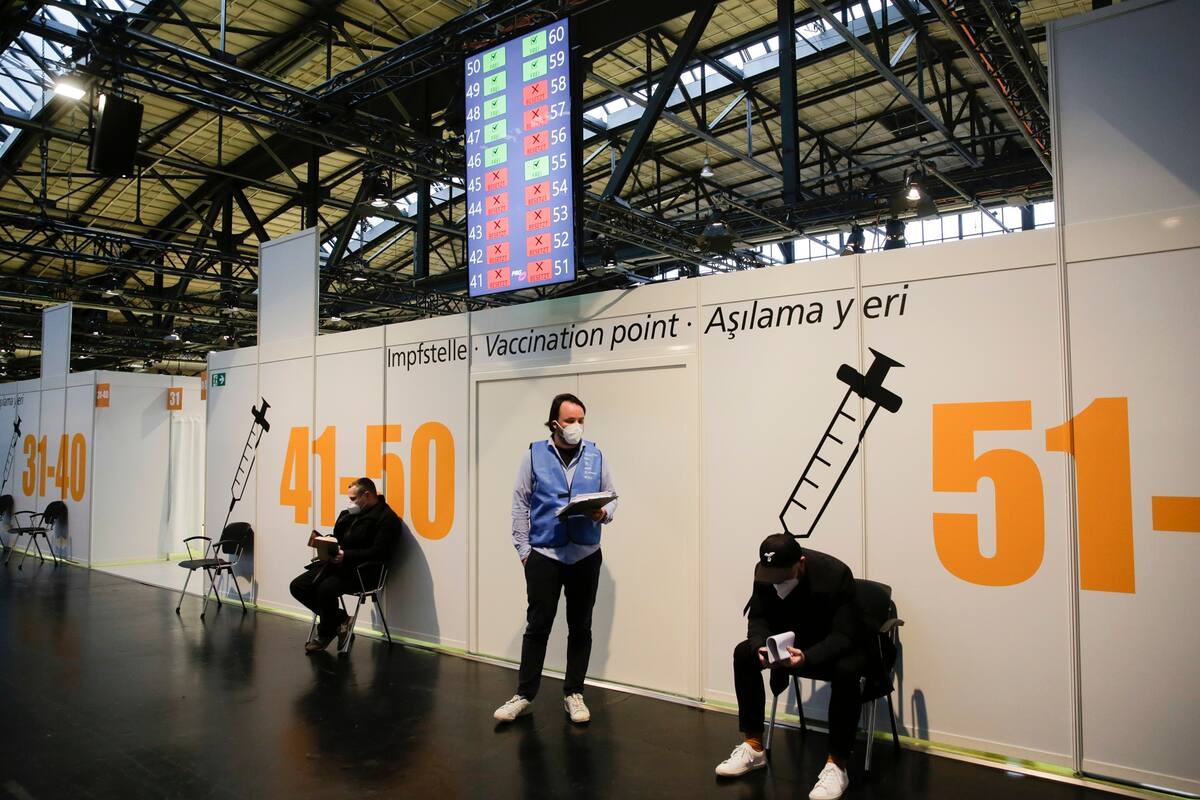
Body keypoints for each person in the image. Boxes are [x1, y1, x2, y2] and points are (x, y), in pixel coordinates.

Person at [493, 393, 618, 725]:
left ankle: (573, 693)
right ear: (554, 424)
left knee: (581, 626)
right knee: (538, 626)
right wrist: (524, 551)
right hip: (545, 554)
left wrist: (603, 513)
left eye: (581, 420)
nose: (576, 426)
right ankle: (523, 694)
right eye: (570, 421)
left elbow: (613, 495)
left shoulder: (596, 454)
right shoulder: (533, 454)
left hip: (585, 554)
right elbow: (520, 502)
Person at [714, 534, 868, 800]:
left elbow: (844, 636)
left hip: (831, 644)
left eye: (781, 575)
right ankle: (754, 747)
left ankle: (837, 765)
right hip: (792, 642)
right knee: (744, 653)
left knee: (848, 669)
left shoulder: (835, 575)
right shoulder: (765, 574)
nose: (775, 581)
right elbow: (758, 617)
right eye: (770, 574)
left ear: (801, 563)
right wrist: (760, 646)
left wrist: (807, 657)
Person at [289, 477, 401, 654]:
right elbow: (339, 539)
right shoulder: (349, 516)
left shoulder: (387, 519)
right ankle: (341, 620)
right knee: (298, 586)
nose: (350, 503)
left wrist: (346, 555)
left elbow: (381, 553)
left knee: (325, 590)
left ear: (367, 495)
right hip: (338, 566)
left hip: (364, 572)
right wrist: (327, 543)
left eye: (353, 499)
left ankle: (325, 633)